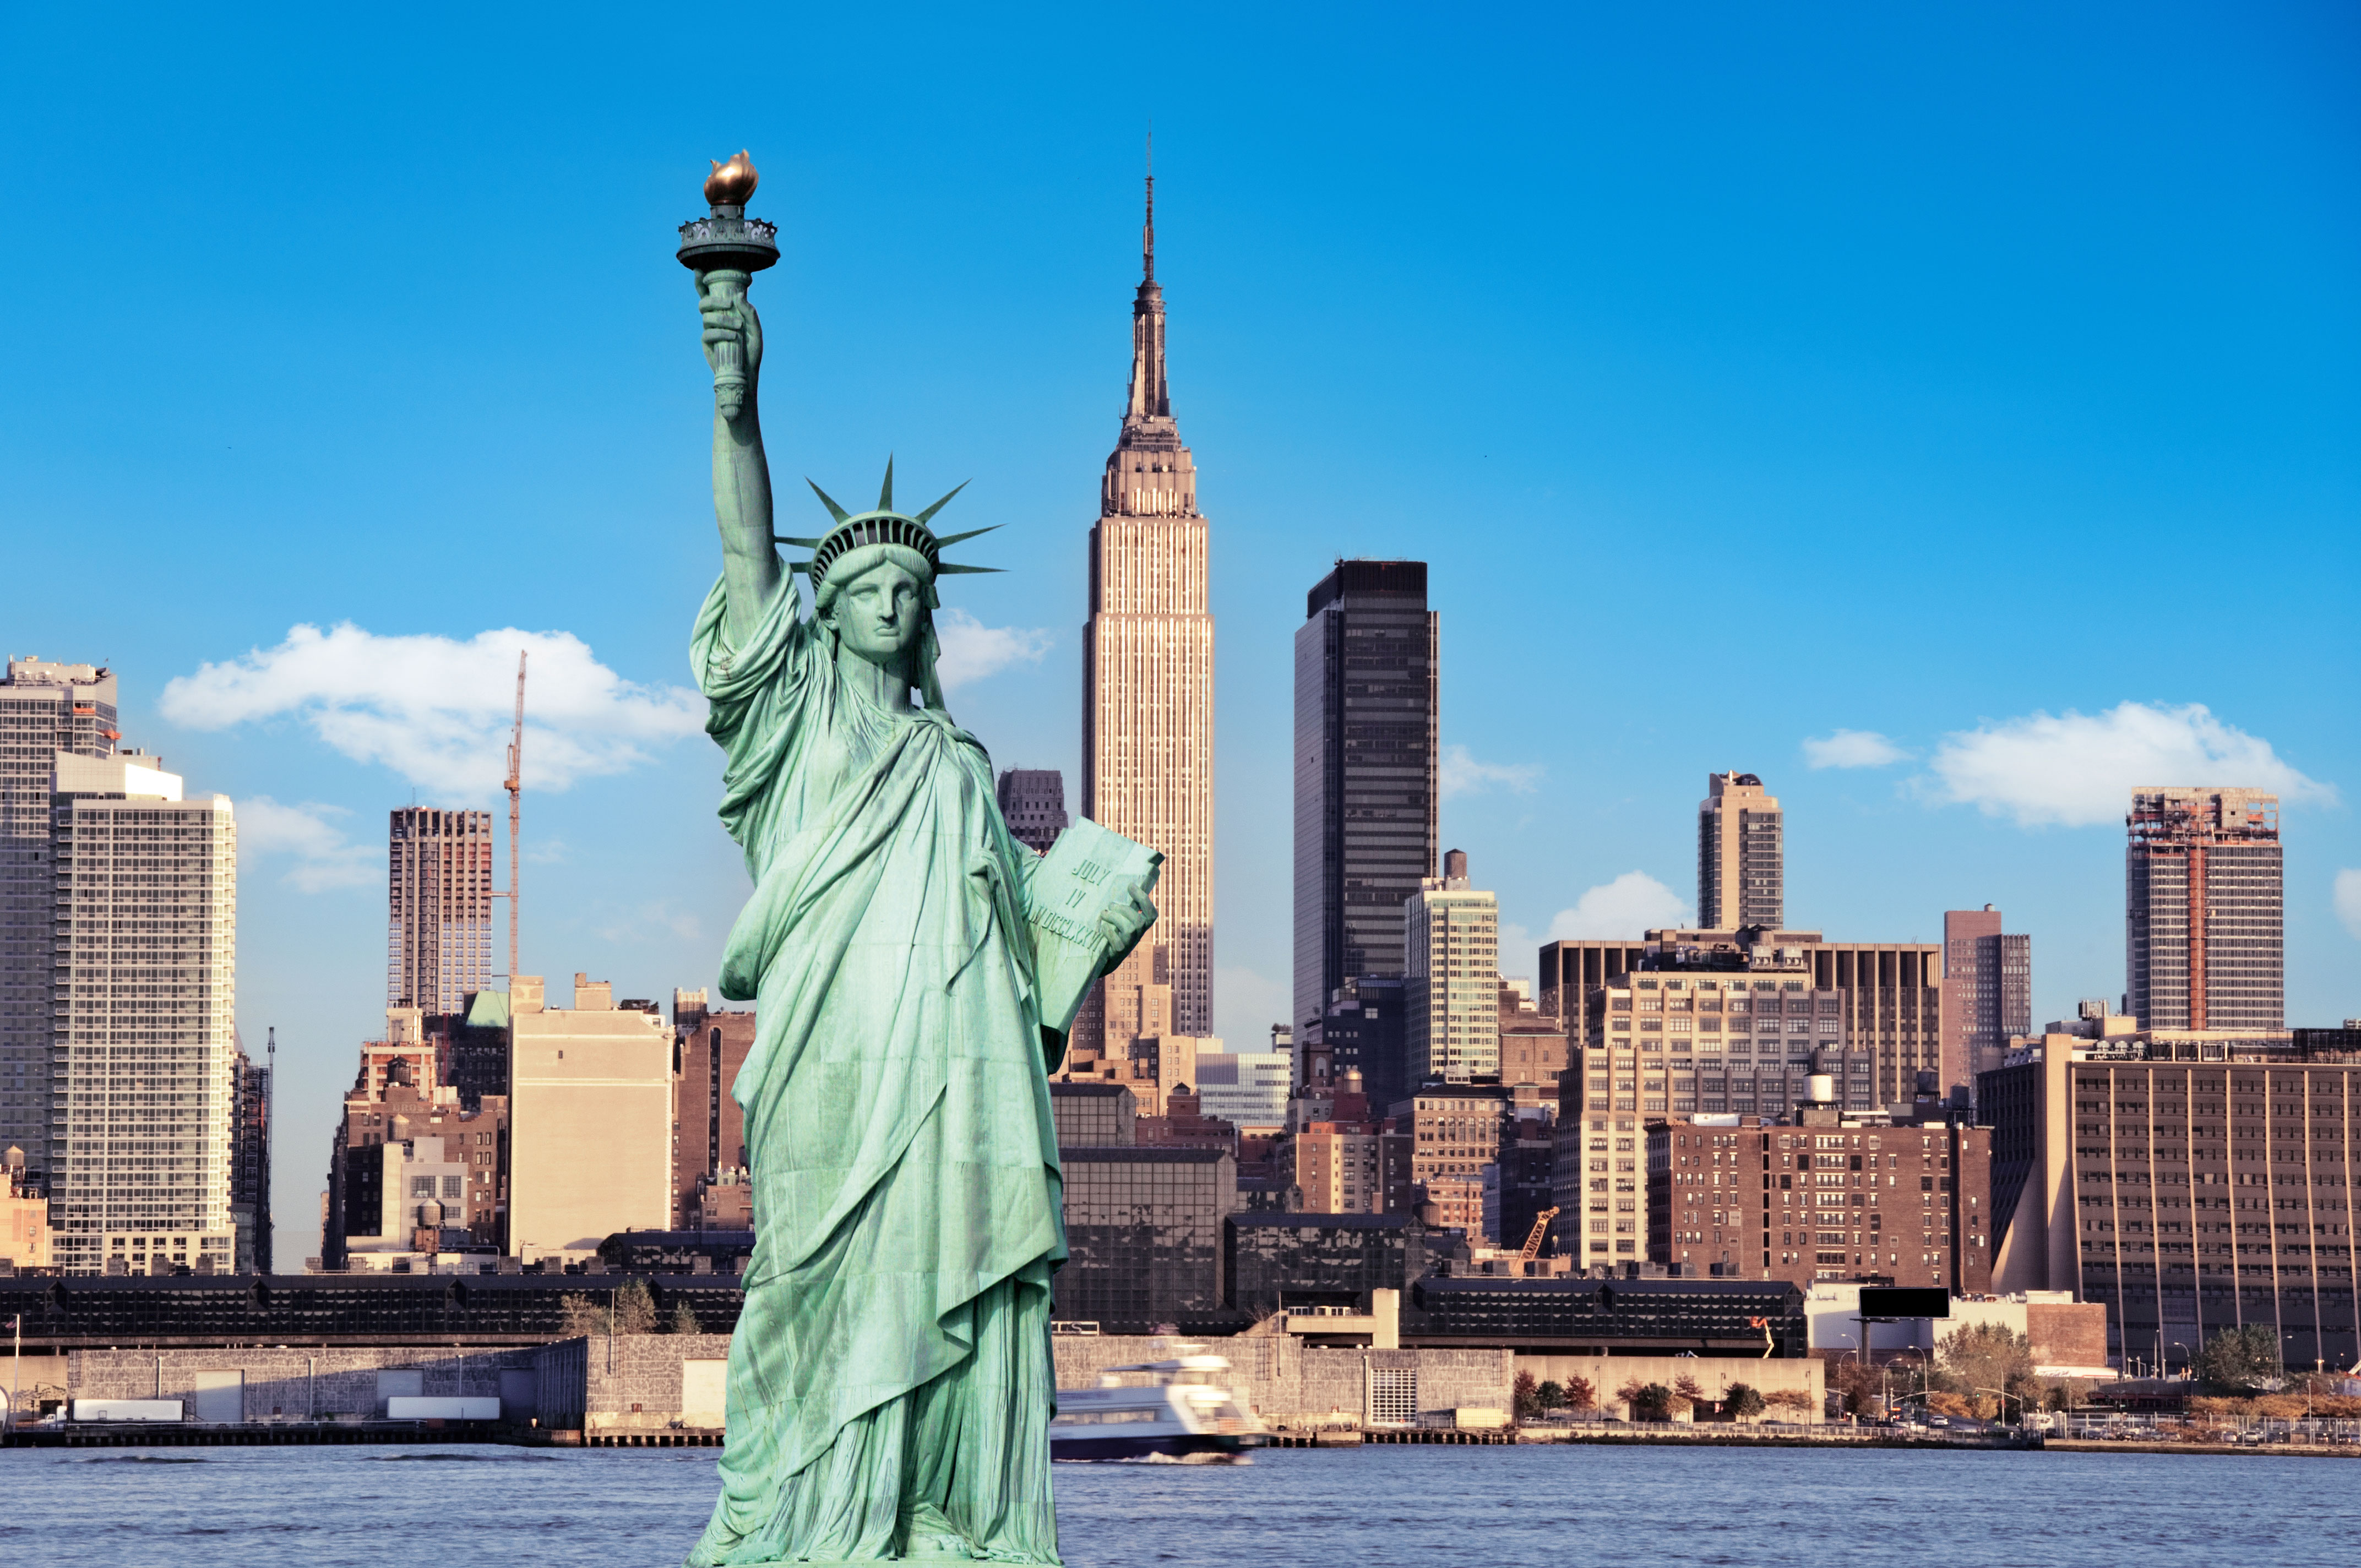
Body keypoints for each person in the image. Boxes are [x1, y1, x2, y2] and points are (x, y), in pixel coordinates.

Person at [684, 269, 1154, 1566]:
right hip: (831, 1061)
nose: (889, 605)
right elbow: (742, 553)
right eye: (864, 590)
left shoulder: (957, 764)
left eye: (909, 590)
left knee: (965, 1266)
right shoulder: (794, 729)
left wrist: (1079, 936)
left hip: (958, 1071)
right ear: (822, 614)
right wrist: (739, 402)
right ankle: (808, 1521)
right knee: (811, 1288)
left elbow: (1014, 961)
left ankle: (940, 1514)